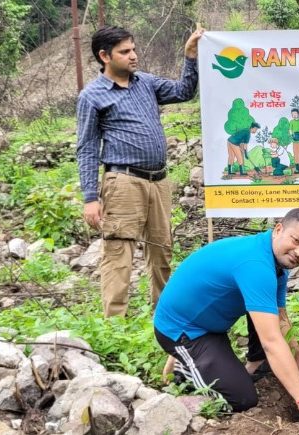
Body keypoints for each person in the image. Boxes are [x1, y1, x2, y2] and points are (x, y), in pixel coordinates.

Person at [154, 208, 299, 434]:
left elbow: (281, 320)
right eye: (296, 241)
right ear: (278, 230)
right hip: (182, 330)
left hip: (208, 325)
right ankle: (184, 368)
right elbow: (272, 341)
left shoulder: (277, 264)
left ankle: (255, 362)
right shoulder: (256, 264)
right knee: (241, 398)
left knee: (268, 312)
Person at [76, 25, 204, 317]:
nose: (133, 56)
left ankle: (165, 316)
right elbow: (86, 147)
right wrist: (90, 197)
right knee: (119, 251)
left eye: (133, 49)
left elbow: (183, 92)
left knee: (161, 250)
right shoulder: (92, 96)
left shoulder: (144, 82)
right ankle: (115, 322)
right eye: (125, 51)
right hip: (123, 180)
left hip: (158, 180)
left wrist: (190, 57)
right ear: (104, 56)